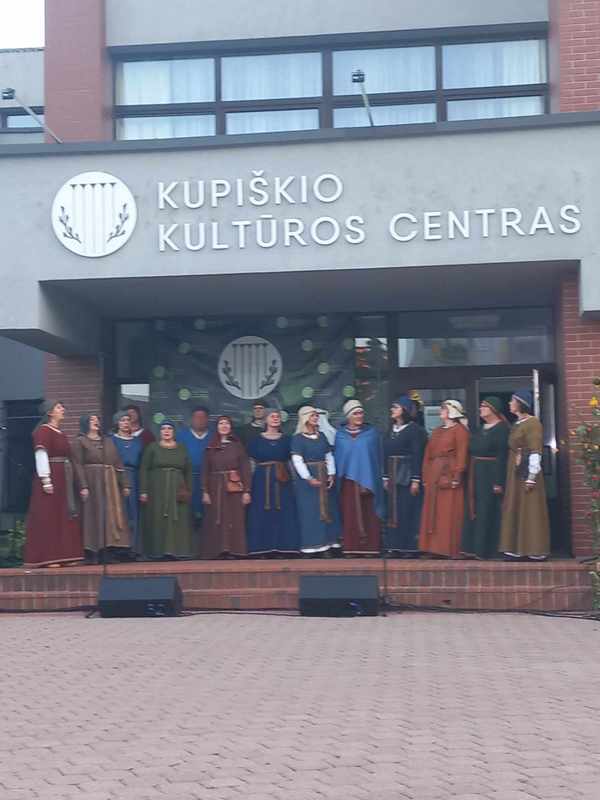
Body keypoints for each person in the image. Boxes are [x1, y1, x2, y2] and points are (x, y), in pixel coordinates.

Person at [24, 401, 83, 568]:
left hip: (63, 478)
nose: (62, 409)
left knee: (64, 515)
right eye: (58, 407)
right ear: (50, 412)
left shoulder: (61, 433)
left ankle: (65, 555)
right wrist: (46, 479)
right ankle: (48, 557)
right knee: (49, 516)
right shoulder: (43, 431)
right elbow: (41, 454)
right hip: (51, 478)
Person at [71, 414, 131, 563]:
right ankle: (91, 552)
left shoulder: (107, 441)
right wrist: (83, 485)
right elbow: (77, 464)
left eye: (97, 419)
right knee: (92, 515)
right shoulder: (80, 441)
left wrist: (125, 484)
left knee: (108, 515)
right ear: (85, 423)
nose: (95, 421)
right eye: (92, 419)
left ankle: (107, 551)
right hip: (92, 482)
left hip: (109, 483)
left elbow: (118, 463)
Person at [500, 390, 551, 561]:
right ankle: (516, 548)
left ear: (520, 403)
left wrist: (531, 476)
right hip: (515, 470)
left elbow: (535, 449)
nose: (509, 403)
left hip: (525, 471)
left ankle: (534, 548)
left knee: (530, 508)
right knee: (515, 505)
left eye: (512, 401)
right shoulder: (517, 423)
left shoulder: (533, 423)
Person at [419, 399, 469, 558]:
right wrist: (426, 475)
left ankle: (447, 548)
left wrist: (457, 475)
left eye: (443, 408)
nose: (441, 410)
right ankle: (433, 548)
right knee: (433, 512)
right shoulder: (437, 431)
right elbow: (428, 454)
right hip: (434, 474)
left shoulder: (460, 431)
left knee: (448, 512)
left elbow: (461, 454)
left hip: (449, 474)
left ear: (452, 411)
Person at [334, 399, 385, 556]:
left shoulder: (371, 434)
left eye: (361, 412)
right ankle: (351, 547)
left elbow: (377, 457)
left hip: (369, 480)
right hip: (348, 482)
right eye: (356, 413)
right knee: (350, 514)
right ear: (348, 416)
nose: (359, 416)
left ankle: (371, 548)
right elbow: (339, 458)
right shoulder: (341, 435)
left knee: (369, 514)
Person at [461, 397, 509, 560]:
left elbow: (502, 456)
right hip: (476, 472)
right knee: (474, 508)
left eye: (484, 406)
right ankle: (473, 548)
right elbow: (474, 447)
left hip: (490, 473)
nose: (480, 409)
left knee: (488, 509)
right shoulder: (480, 428)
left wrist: (498, 481)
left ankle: (487, 549)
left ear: (493, 409)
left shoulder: (502, 429)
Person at [247, 409, 299, 556]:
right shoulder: (256, 441)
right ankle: (262, 548)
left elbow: (291, 462)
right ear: (266, 419)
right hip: (261, 481)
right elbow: (251, 463)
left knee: (284, 512)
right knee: (261, 513)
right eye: (272, 416)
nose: (275, 418)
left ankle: (284, 547)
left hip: (282, 480)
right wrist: (248, 486)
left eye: (278, 416)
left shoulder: (287, 440)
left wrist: (295, 481)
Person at [139, 420, 194, 559]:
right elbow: (144, 469)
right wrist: (143, 490)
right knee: (158, 518)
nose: (166, 431)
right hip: (157, 489)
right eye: (163, 428)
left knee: (177, 519)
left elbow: (188, 470)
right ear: (160, 432)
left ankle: (177, 551)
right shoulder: (152, 448)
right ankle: (158, 551)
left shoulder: (182, 448)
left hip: (177, 488)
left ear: (174, 432)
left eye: (169, 428)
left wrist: (188, 490)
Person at [291, 406, 341, 556]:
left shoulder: (322, 436)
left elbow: (328, 456)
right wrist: (308, 478)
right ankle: (312, 546)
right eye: (313, 415)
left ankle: (327, 544)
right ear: (305, 418)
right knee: (310, 511)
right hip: (308, 481)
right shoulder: (298, 439)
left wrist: (331, 474)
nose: (316, 417)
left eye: (316, 415)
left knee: (327, 509)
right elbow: (297, 460)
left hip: (323, 476)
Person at [201, 416, 251, 558]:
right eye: (221, 423)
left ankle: (235, 550)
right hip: (215, 488)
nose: (224, 426)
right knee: (216, 519)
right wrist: (205, 491)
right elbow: (205, 470)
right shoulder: (210, 447)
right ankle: (217, 550)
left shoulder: (237, 446)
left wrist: (247, 491)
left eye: (227, 423)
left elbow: (245, 469)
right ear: (217, 427)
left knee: (234, 518)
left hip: (234, 487)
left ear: (230, 427)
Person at [383, 396, 425, 556]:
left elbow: (417, 454)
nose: (392, 410)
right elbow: (385, 453)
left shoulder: (414, 430)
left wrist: (416, 479)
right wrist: (385, 476)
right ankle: (393, 546)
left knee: (407, 510)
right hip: (392, 474)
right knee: (393, 511)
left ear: (404, 410)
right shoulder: (391, 430)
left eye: (396, 407)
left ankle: (409, 547)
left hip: (406, 475)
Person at [111, 410, 144, 558]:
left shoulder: (137, 441)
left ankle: (133, 548)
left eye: (127, 420)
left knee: (133, 512)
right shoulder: (112, 440)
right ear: (117, 423)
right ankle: (119, 548)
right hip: (117, 477)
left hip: (134, 477)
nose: (125, 423)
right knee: (120, 511)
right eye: (122, 420)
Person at [178, 406, 212, 529]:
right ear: (192, 419)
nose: (200, 420)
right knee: (187, 514)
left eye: (202, 417)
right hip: (187, 479)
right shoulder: (181, 436)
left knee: (208, 515)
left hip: (209, 480)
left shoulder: (214, 437)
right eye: (197, 417)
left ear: (207, 419)